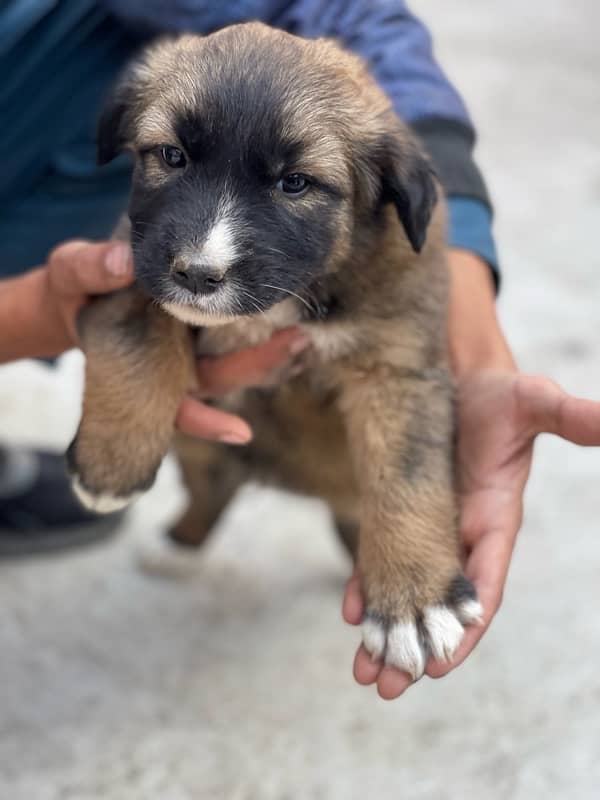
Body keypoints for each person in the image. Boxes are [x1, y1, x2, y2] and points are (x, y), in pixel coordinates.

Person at [2, 0, 600, 698]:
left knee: (366, 491)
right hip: (216, 420)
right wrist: (53, 328)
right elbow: (123, 312)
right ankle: (197, 520)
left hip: (324, 434)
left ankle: (375, 559)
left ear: (390, 197)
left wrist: (412, 548)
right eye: (171, 156)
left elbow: (402, 380)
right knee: (181, 432)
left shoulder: (392, 247)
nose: (202, 254)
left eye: (295, 183)